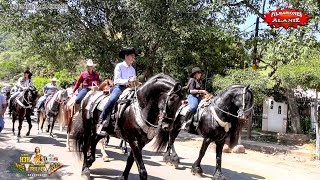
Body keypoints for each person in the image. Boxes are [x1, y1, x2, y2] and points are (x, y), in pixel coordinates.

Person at [97, 47, 138, 135]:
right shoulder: (119, 66)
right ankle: (102, 119)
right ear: (126, 56)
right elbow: (117, 80)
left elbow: (133, 81)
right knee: (112, 99)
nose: (133, 58)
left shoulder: (133, 69)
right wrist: (128, 81)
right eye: (132, 56)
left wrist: (135, 82)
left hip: (130, 89)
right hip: (119, 87)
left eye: (134, 56)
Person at [181, 67, 208, 131]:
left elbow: (201, 91)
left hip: (200, 97)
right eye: (199, 72)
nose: (200, 74)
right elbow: (191, 91)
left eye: (200, 73)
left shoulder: (200, 81)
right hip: (192, 96)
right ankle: (184, 122)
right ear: (195, 74)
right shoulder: (192, 80)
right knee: (193, 107)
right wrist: (202, 91)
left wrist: (206, 95)